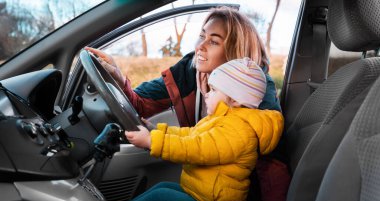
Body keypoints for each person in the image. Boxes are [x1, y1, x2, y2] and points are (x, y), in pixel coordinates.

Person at [110, 58, 284, 201]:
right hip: (202, 198)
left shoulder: (239, 131)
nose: (207, 93)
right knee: (162, 187)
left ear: (236, 101)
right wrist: (156, 131)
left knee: (159, 198)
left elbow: (195, 148)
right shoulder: (221, 119)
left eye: (214, 90)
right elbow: (191, 134)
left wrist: (151, 141)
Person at [85, 6, 281, 128]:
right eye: (202, 36)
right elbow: (140, 104)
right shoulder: (190, 70)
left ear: (235, 52)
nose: (199, 47)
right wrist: (118, 76)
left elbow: (270, 164)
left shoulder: (257, 87)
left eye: (213, 42)